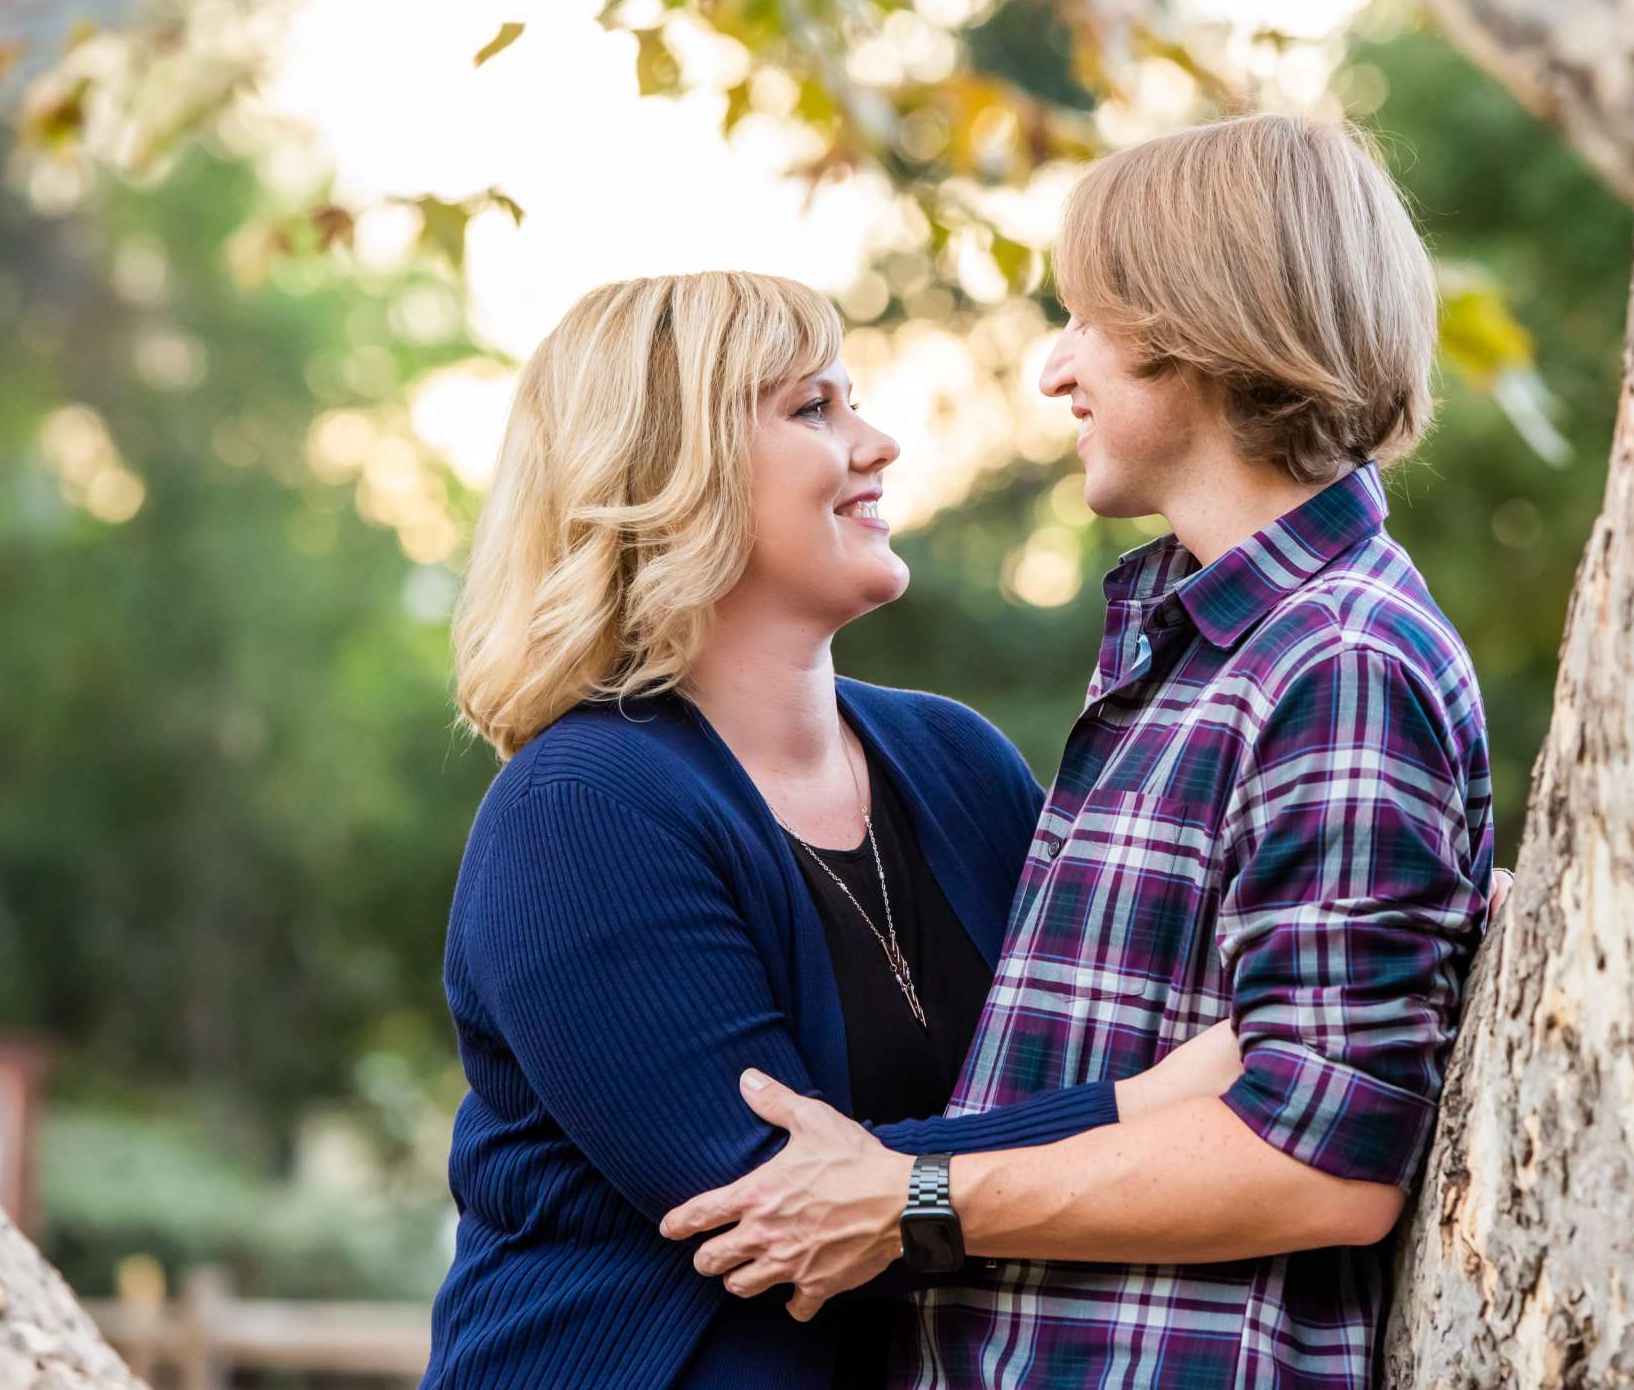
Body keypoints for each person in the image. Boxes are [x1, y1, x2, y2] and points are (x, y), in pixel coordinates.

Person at [661, 113, 1498, 1390]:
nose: (1055, 370)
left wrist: (914, 1197)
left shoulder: (1341, 657)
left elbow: (1324, 1162)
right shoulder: (1205, 646)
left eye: (1085, 319)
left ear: (1200, 327)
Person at [418, 270, 1246, 1390]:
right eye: (815, 408)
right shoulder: (582, 813)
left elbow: (1117, 1014)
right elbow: (783, 1216)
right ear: (671, 469)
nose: (879, 443)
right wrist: (1165, 1101)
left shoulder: (955, 761)